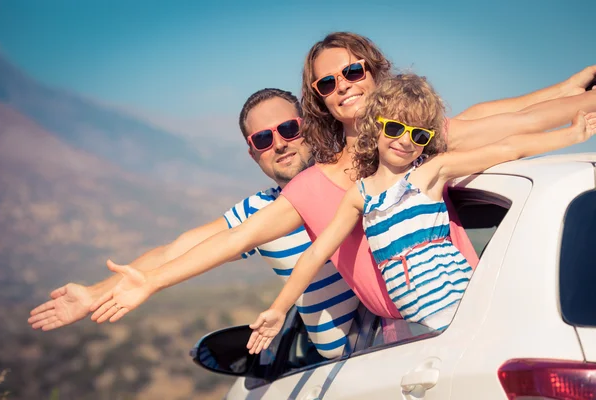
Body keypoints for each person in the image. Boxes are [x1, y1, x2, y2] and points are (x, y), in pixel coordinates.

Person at [88, 32, 596, 331]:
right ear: (320, 100)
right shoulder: (310, 188)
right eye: (327, 83)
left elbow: (517, 123)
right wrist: (147, 280)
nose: (343, 86)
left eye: (352, 72)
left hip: (470, 316)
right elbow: (232, 239)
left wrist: (571, 97)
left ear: (374, 72)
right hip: (405, 341)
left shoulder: (421, 140)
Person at [245, 74, 596, 353]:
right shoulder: (360, 196)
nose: (405, 141)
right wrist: (278, 309)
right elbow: (317, 252)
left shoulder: (429, 173)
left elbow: (508, 148)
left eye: (419, 134)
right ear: (376, 126)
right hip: (422, 333)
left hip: (466, 314)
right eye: (395, 128)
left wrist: (570, 135)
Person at [28, 88, 360, 359]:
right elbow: (175, 251)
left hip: (385, 351)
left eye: (289, 129)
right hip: (347, 374)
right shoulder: (256, 211)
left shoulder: (350, 178)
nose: (280, 143)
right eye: (263, 139)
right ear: (252, 153)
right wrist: (92, 294)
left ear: (307, 127)